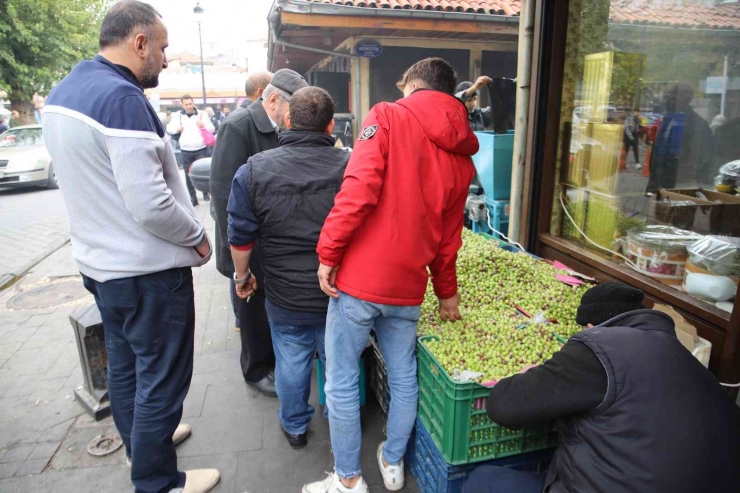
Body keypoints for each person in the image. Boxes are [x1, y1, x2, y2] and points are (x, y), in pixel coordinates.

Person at [41, 2, 220, 492]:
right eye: (161, 49)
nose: (165, 60)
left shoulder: (67, 90)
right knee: (162, 376)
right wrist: (198, 238)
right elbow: (151, 203)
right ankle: (158, 480)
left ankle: (142, 445)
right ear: (139, 43)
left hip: (102, 267)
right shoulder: (121, 99)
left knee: (125, 366)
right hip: (147, 274)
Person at [304, 57, 478, 493]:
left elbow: (358, 189)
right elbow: (448, 238)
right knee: (403, 376)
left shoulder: (386, 116)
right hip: (408, 286)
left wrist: (328, 252)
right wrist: (447, 293)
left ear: (413, 84)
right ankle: (393, 461)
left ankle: (347, 481)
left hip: (359, 281)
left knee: (341, 379)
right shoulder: (461, 156)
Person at [463, 281, 740, 493]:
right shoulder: (681, 355)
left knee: (482, 481)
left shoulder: (597, 348)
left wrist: (530, 375)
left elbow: (504, 407)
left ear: (593, 325)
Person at [228, 86, 350, 450]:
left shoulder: (253, 171)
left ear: (288, 121)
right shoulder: (352, 166)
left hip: (283, 296)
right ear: (331, 126)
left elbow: (240, 236)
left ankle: (295, 425)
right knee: (338, 363)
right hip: (338, 293)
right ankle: (339, 418)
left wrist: (242, 276)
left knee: (292, 362)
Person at [210, 69, 307, 397]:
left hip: (274, 240)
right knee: (251, 308)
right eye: (292, 108)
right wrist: (237, 259)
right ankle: (255, 369)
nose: (294, 117)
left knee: (267, 304)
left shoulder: (279, 127)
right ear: (274, 98)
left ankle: (274, 360)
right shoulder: (238, 127)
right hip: (247, 243)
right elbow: (223, 195)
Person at [647, 83, 714, 190]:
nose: (667, 102)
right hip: (661, 181)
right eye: (666, 98)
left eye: (672, 99)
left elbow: (702, 159)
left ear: (686, 100)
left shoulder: (698, 125)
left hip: (681, 184)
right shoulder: (667, 119)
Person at [166, 94, 214, 206]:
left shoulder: (202, 114)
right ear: (182, 105)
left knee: (203, 172)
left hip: (201, 148)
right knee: (188, 174)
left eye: (190, 103)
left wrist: (203, 125)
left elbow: (211, 129)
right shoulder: (178, 116)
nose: (189, 106)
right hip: (185, 149)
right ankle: (193, 198)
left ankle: (205, 193)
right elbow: (169, 129)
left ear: (193, 103)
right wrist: (177, 128)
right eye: (186, 104)